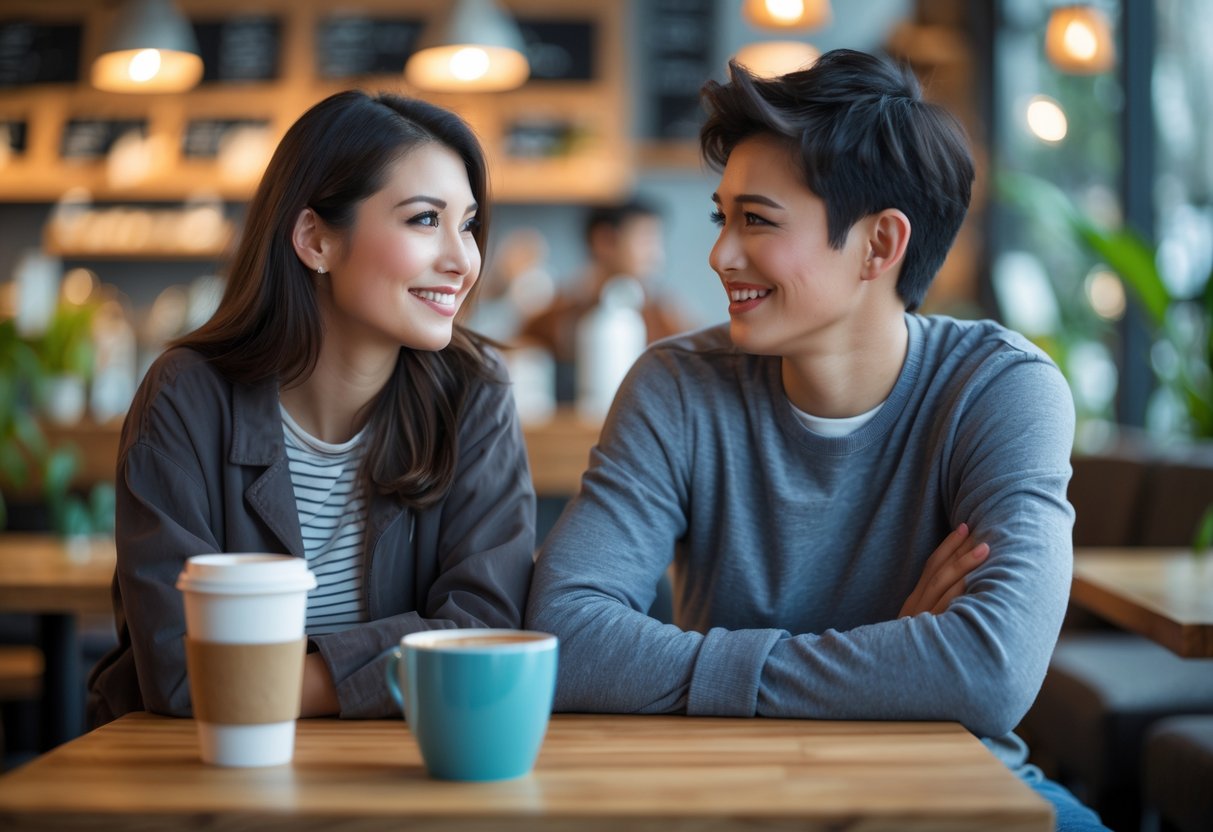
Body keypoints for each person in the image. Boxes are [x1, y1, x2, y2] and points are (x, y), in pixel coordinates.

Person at [526, 50, 1107, 830]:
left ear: (878, 245)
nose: (718, 254)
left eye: (756, 221)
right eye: (720, 216)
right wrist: (895, 653)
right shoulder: (676, 385)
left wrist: (703, 666)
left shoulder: (1000, 389)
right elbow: (565, 632)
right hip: (730, 792)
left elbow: (988, 672)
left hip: (960, 791)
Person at [88, 90, 536, 724]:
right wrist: (406, 664)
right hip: (198, 779)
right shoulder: (185, 398)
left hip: (397, 781)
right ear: (315, 239)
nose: (463, 261)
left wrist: (253, 680)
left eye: (467, 224)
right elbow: (184, 675)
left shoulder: (475, 394)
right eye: (424, 220)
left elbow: (484, 635)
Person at [519, 197, 687, 401]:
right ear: (605, 241)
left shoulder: (663, 314)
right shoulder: (557, 312)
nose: (656, 255)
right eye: (645, 241)